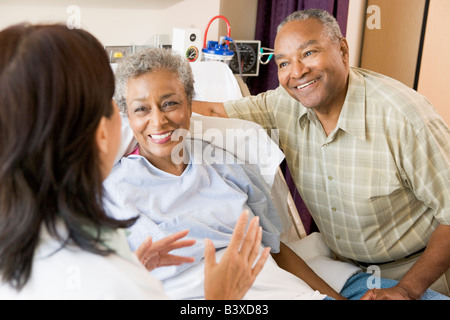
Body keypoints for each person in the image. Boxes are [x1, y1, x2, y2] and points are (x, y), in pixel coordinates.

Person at [192, 9, 450, 300]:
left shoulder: (405, 118)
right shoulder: (284, 104)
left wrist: (406, 290)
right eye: (284, 63)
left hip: (421, 271)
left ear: (342, 50)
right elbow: (215, 112)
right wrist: (144, 109)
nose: (297, 72)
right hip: (347, 271)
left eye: (309, 53)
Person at [0, 23, 270, 300]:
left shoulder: (31, 240)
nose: (156, 120)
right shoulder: (95, 258)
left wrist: (132, 269)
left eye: (170, 104)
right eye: (130, 108)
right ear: (100, 131)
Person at [104, 47, 340, 300]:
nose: (158, 120)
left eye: (170, 103)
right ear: (126, 114)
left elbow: (275, 249)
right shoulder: (113, 191)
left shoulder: (227, 165)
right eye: (141, 109)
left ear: (189, 105)